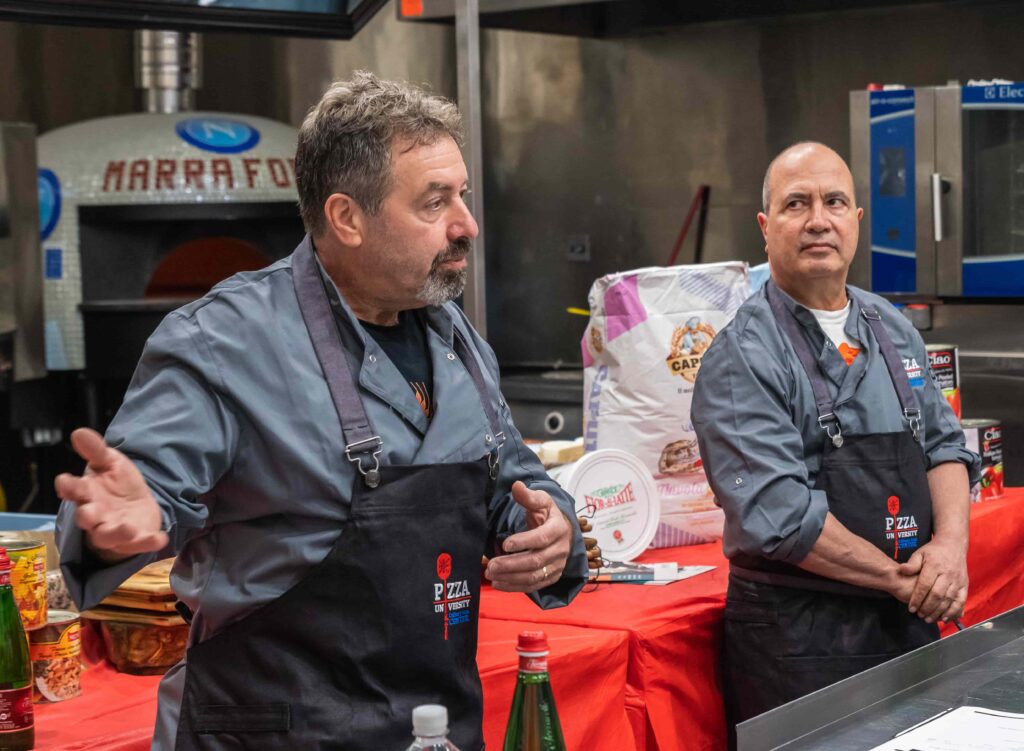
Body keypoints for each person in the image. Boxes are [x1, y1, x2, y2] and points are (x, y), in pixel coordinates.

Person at [54, 72, 586, 750]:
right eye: (434, 202)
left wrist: (550, 528)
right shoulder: (225, 341)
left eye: (462, 196)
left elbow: (511, 478)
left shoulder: (455, 340)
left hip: (429, 729)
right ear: (346, 218)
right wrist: (116, 523)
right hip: (271, 732)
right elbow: (130, 499)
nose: (466, 225)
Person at [691, 142, 978, 740]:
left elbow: (946, 448)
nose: (818, 218)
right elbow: (783, 515)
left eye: (834, 201)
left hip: (907, 622)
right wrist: (906, 581)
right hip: (799, 639)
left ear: (856, 222)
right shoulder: (743, 356)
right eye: (797, 203)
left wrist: (949, 549)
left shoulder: (891, 327)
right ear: (767, 228)